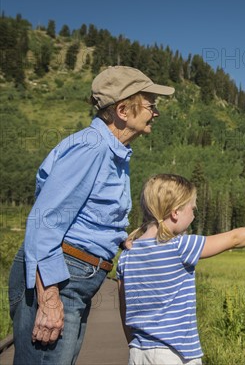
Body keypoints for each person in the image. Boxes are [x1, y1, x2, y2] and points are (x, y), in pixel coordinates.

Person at [8, 66, 175, 365]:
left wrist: (121, 238)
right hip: (59, 280)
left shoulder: (112, 152)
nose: (156, 112)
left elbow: (88, 215)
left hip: (74, 281)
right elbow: (44, 222)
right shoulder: (92, 148)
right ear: (123, 109)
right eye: (151, 104)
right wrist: (48, 300)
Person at [117, 174, 245, 365]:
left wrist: (134, 346)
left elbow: (124, 309)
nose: (194, 214)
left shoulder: (127, 255)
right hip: (173, 355)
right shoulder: (180, 247)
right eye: (192, 208)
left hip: (138, 352)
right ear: (175, 212)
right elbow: (235, 238)